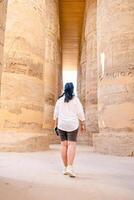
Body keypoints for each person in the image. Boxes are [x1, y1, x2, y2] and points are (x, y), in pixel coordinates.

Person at [53, 82, 86, 178]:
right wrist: (83, 123)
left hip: (61, 125)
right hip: (72, 125)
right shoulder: (75, 100)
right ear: (72, 89)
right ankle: (70, 168)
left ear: (64, 89)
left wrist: (55, 125)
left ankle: (65, 167)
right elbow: (80, 112)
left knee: (63, 145)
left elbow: (55, 114)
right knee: (71, 144)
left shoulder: (59, 100)